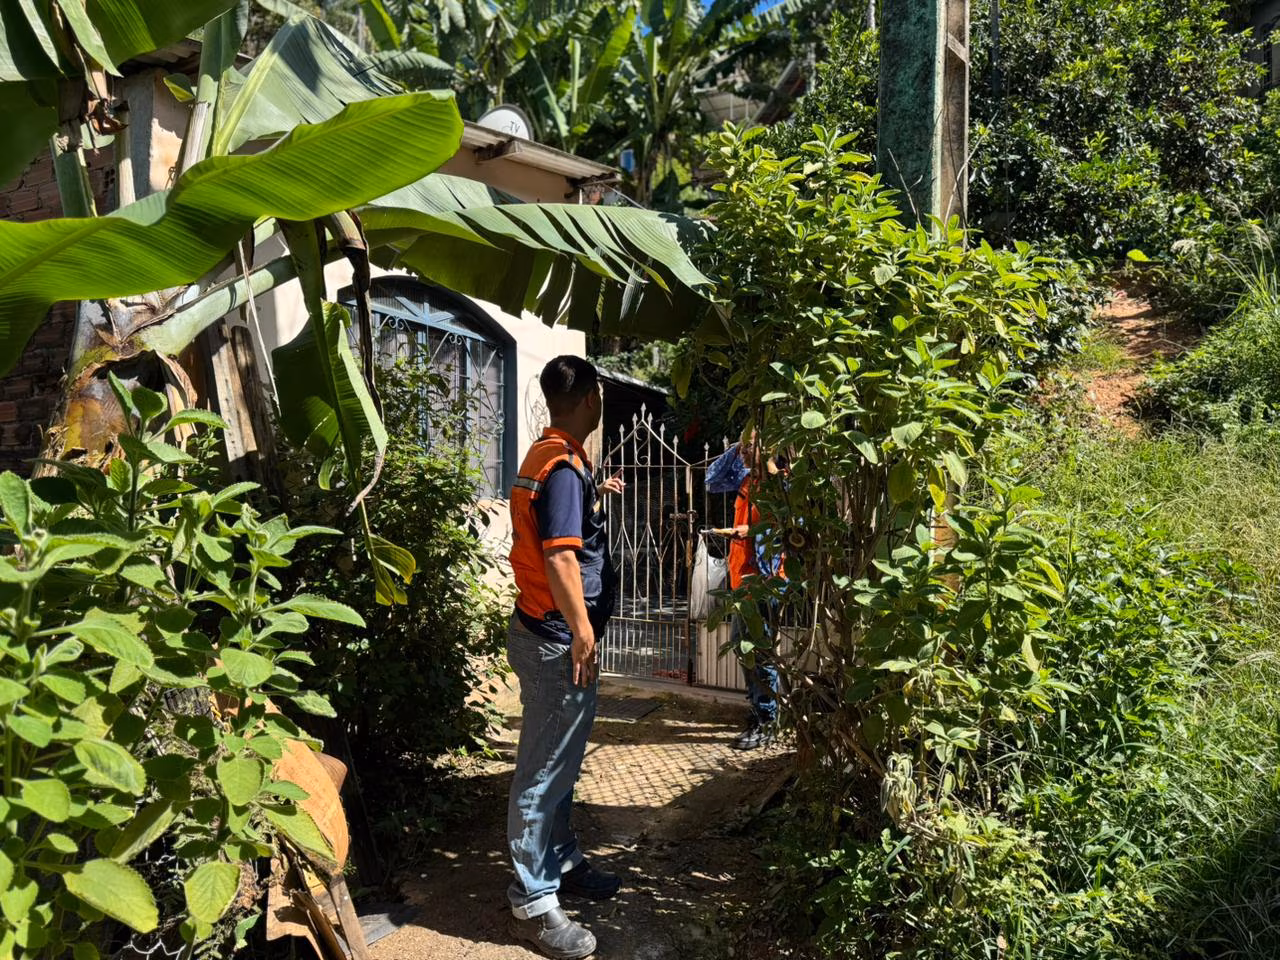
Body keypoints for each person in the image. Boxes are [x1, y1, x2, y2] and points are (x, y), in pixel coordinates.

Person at [505, 356, 624, 960]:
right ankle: (532, 899)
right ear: (589, 398)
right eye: (601, 393)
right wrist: (582, 632)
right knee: (543, 770)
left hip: (548, 630)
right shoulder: (561, 469)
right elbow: (558, 558)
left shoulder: (551, 456)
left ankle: (562, 858)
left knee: (562, 761)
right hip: (556, 639)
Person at [706, 430, 783, 751]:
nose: (743, 452)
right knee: (743, 648)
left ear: (769, 446)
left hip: (764, 582)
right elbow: (712, 480)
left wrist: (747, 530)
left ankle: (767, 720)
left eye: (750, 445)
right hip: (742, 581)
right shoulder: (747, 479)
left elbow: (786, 524)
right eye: (742, 446)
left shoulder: (780, 485)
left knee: (757, 650)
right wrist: (739, 447)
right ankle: (761, 713)